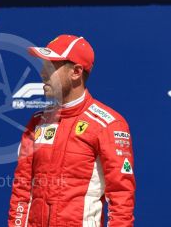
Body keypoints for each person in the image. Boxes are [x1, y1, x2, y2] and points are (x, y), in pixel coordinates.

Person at [8, 35, 135, 227]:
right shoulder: (37, 122)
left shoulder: (109, 124)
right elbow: (22, 189)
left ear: (76, 72)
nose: (42, 73)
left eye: (51, 67)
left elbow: (121, 196)